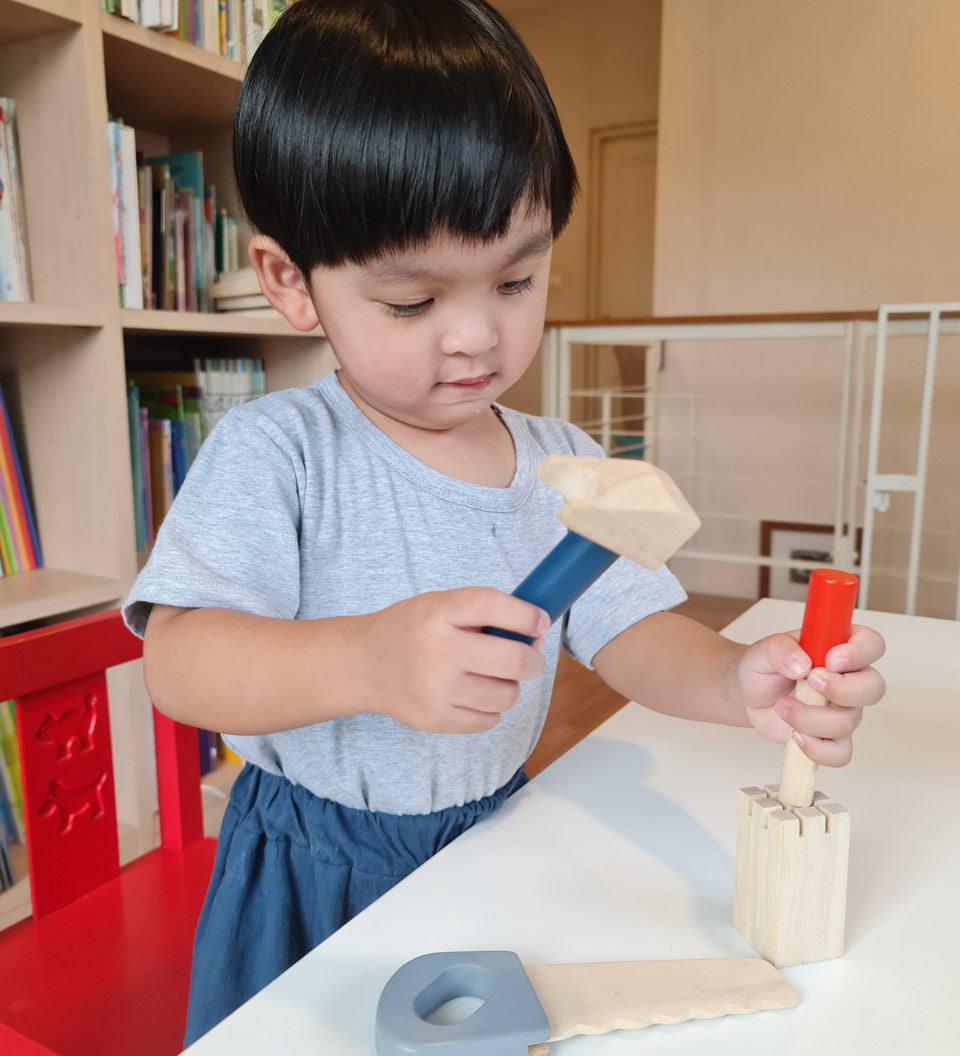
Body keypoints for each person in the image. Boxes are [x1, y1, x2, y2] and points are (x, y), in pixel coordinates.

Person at [122, 0, 886, 1044]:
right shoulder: (278, 452)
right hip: (311, 862)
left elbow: (630, 627)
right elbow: (182, 664)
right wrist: (370, 661)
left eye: (516, 278)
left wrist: (732, 679)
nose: (477, 335)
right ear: (291, 283)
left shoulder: (561, 463)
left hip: (494, 830)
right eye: (411, 302)